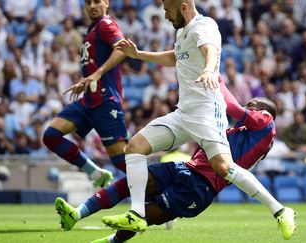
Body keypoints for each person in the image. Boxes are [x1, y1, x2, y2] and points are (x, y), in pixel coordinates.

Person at [104, 0, 294, 236]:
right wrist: (138, 54)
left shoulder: (203, 26)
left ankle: (280, 210)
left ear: (183, 7)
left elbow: (210, 50)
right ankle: (136, 215)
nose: (165, 16)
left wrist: (208, 69)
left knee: (223, 166)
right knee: (134, 147)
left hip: (206, 111)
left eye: (168, 10)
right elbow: (175, 57)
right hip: (184, 112)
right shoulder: (183, 31)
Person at [55, 77, 296, 242]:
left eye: (251, 106)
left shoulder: (266, 121)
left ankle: (112, 241)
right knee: (134, 181)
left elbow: (233, 107)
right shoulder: (239, 134)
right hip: (186, 168)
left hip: (201, 187)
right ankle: (76, 214)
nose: (248, 109)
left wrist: (217, 81)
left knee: (145, 215)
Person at [43, 0, 127, 187]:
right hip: (88, 100)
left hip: (105, 101)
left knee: (122, 161)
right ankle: (95, 173)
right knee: (51, 136)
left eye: (97, 1)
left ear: (106, 3)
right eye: (88, 2)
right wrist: (86, 82)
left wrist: (96, 74)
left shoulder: (106, 24)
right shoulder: (91, 30)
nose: (92, 6)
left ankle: (162, 199)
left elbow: (122, 49)